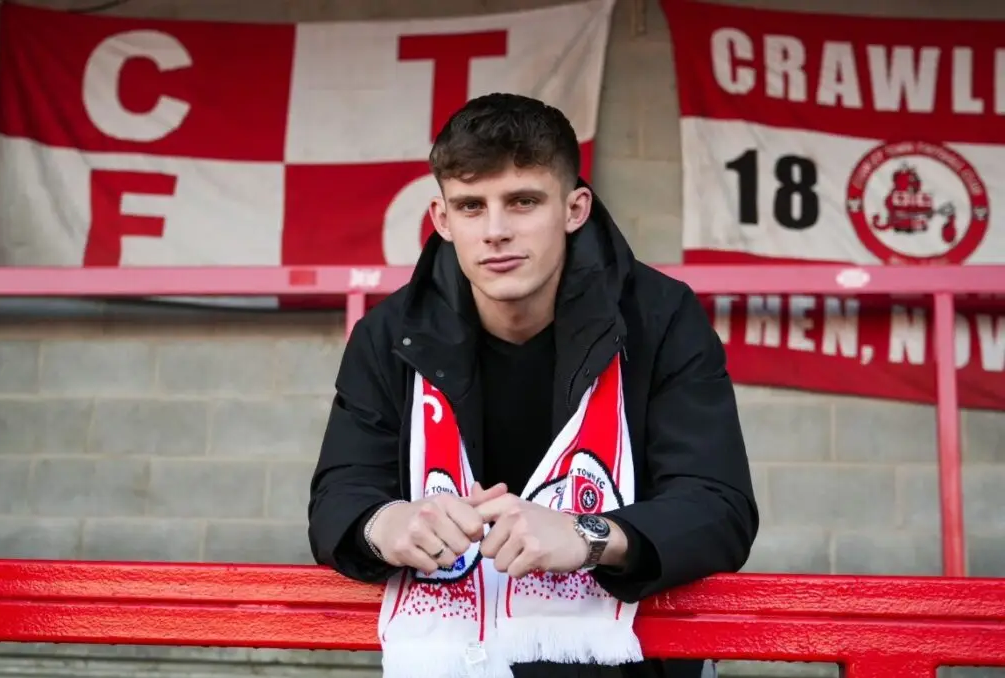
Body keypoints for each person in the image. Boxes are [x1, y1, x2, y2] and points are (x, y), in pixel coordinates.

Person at [308, 93, 758, 678]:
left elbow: (718, 509)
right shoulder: (390, 333)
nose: (496, 231)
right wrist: (387, 524)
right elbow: (337, 498)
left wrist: (587, 535)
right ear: (442, 220)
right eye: (471, 206)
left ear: (574, 209)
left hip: (627, 667)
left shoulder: (660, 317)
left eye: (522, 202)